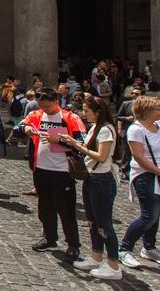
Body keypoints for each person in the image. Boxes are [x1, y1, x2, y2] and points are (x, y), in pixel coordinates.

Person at [59, 97, 121, 280]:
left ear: (98, 111)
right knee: (93, 221)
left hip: (102, 179)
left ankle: (113, 265)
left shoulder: (106, 130)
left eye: (87, 111)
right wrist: (71, 141)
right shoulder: (95, 127)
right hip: (91, 177)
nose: (83, 114)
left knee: (104, 224)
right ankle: (96, 256)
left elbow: (101, 156)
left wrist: (77, 145)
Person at [22, 87, 86, 260]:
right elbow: (20, 126)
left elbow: (83, 142)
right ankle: (49, 238)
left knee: (66, 209)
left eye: (48, 106)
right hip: (41, 168)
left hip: (62, 170)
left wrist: (60, 139)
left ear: (56, 102)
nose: (45, 110)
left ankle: (73, 244)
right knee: (45, 207)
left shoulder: (70, 118)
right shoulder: (36, 115)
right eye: (42, 106)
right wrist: (27, 129)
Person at [118, 94, 160, 269]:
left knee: (156, 216)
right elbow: (138, 157)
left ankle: (149, 247)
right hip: (146, 176)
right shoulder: (136, 130)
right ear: (146, 111)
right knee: (148, 216)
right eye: (157, 109)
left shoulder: (159, 125)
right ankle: (124, 249)